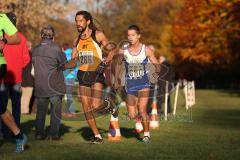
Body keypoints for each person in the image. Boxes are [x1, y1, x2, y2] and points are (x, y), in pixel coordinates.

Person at [71, 10, 115, 144]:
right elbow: (74, 56)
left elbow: (112, 49)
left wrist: (106, 61)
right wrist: (74, 57)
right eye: (76, 21)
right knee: (86, 107)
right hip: (83, 74)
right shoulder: (77, 39)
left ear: (88, 21)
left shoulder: (98, 35)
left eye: (80, 21)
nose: (78, 23)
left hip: (96, 73)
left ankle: (109, 105)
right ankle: (97, 136)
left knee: (96, 105)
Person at [114, 25, 160, 143]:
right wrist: (117, 79)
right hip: (130, 85)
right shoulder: (123, 51)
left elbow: (157, 64)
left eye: (133, 35)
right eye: (128, 35)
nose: (130, 37)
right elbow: (118, 65)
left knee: (142, 109)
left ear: (138, 36)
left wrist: (155, 74)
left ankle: (146, 135)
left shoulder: (146, 50)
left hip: (144, 83)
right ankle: (139, 121)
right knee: (132, 114)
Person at [32, 25, 66, 140]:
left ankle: (39, 134)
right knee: (55, 112)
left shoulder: (35, 49)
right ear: (53, 36)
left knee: (40, 112)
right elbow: (64, 64)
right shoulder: (56, 48)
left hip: (40, 85)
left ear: (42, 36)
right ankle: (54, 135)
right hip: (55, 86)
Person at [0, 12, 27, 153]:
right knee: (8, 106)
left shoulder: (4, 32)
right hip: (15, 77)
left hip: (5, 74)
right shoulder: (22, 37)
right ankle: (16, 133)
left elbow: (25, 57)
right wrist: (19, 67)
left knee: (5, 105)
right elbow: (26, 59)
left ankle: (7, 132)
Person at [62, 43, 77, 117]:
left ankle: (71, 112)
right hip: (72, 77)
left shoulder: (63, 54)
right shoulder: (74, 54)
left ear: (63, 48)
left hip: (64, 77)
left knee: (65, 95)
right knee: (69, 95)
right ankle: (68, 111)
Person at [21, 41, 35, 114]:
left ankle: (21, 110)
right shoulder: (32, 55)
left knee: (23, 96)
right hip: (30, 79)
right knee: (27, 96)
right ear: (30, 47)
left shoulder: (20, 55)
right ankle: (24, 111)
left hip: (22, 78)